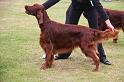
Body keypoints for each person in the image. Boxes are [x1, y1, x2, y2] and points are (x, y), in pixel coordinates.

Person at [34, 0, 115, 65]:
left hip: (90, 7)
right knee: (67, 31)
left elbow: (98, 5)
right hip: (75, 6)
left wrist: (108, 23)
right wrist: (41, 8)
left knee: (95, 30)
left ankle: (102, 57)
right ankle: (64, 55)